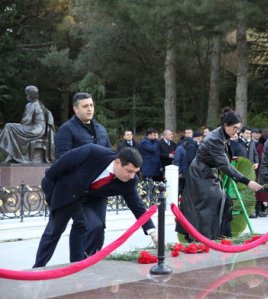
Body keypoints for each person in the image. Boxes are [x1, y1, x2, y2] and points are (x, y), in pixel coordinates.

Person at [33, 145, 156, 268]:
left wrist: (152, 231)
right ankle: (37, 267)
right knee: (55, 229)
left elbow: (137, 205)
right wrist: (52, 196)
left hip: (94, 198)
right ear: (118, 162)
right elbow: (57, 169)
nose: (131, 176)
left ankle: (82, 265)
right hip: (69, 190)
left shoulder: (130, 181)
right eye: (129, 171)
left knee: (95, 226)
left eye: (135, 172)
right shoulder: (92, 152)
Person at [176, 107, 262, 240]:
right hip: (200, 174)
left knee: (225, 201)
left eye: (238, 128)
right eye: (234, 128)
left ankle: (220, 236)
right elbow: (224, 165)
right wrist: (247, 181)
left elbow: (223, 160)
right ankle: (204, 237)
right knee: (210, 203)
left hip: (209, 172)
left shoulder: (223, 134)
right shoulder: (214, 139)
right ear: (225, 125)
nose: (236, 131)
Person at [54, 92, 112, 263]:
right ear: (75, 108)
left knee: (99, 227)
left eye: (91, 105)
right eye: (85, 106)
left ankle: (90, 262)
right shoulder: (66, 130)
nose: (90, 109)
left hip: (99, 190)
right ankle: (78, 263)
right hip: (77, 190)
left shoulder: (101, 129)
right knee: (85, 225)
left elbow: (110, 155)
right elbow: (62, 159)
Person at [0, 85, 55, 164]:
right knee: (11, 128)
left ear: (29, 95)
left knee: (9, 126)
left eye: (27, 94)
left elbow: (26, 121)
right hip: (40, 129)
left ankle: (13, 155)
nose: (26, 96)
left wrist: (19, 125)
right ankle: (12, 155)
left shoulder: (31, 105)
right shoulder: (39, 103)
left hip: (35, 130)